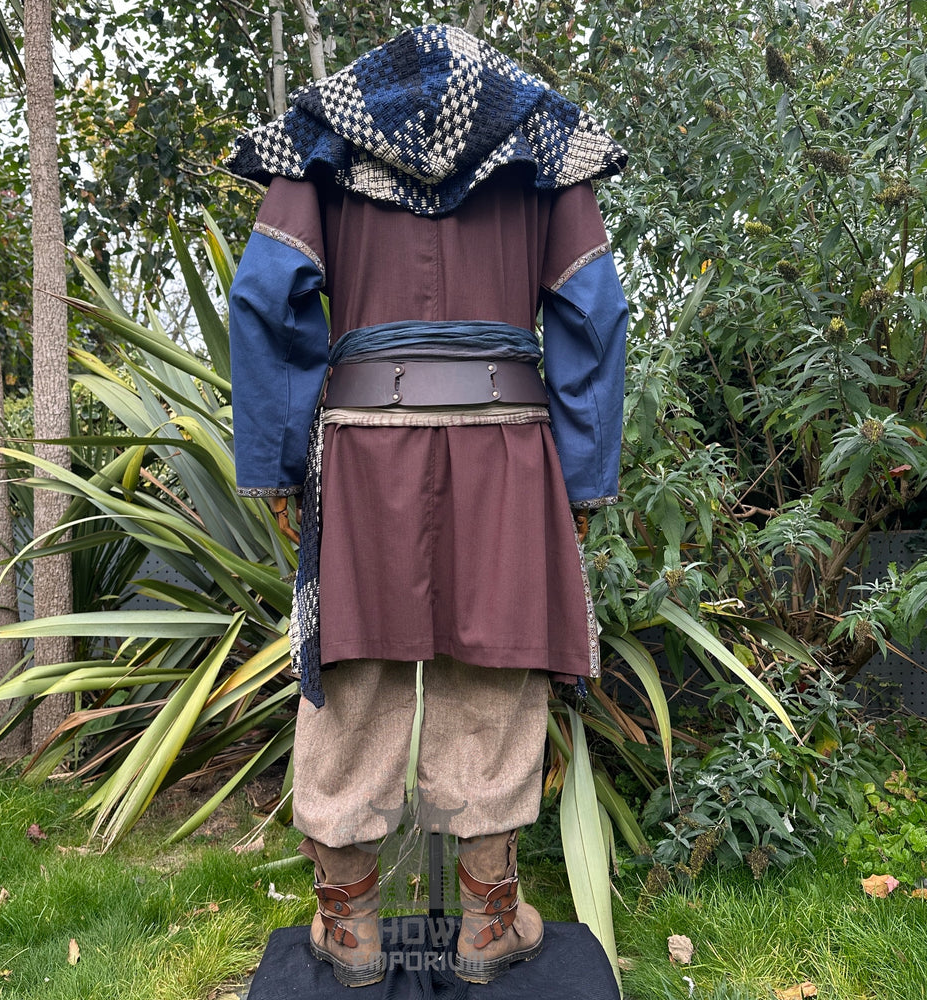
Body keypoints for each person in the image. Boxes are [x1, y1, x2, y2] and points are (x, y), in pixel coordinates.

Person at [226, 24, 628, 987]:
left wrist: (281, 463)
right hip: (506, 448)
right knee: (493, 666)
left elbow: (264, 296)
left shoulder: (328, 132)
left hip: (364, 451)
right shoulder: (541, 134)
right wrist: (580, 477)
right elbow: (593, 311)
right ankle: (491, 925)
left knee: (352, 660)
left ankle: (350, 926)